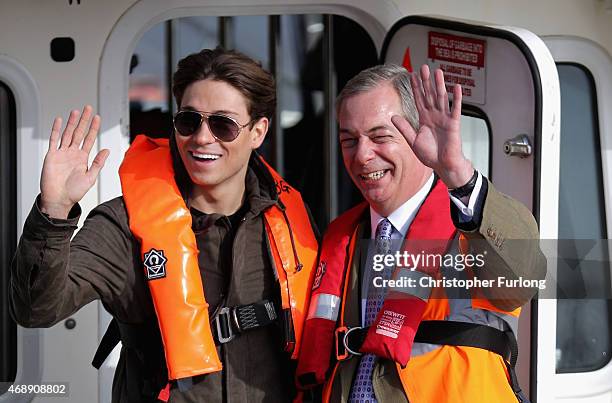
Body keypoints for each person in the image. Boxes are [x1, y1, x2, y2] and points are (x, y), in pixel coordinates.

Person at [10, 48, 319, 403]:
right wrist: (54, 209)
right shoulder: (125, 227)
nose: (202, 138)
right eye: (189, 121)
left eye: (223, 125)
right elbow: (36, 309)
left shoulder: (289, 223)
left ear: (257, 132)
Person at [296, 64, 546, 402]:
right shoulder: (339, 236)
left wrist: (459, 175)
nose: (362, 155)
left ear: (419, 136)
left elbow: (521, 280)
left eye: (380, 136)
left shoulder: (470, 223)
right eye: (349, 141)